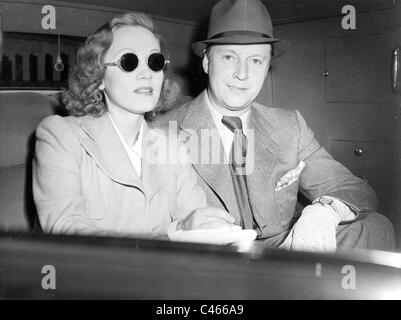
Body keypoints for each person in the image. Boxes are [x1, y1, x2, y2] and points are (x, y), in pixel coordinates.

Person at [158, 0, 395, 252]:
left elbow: (354, 188)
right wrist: (182, 228)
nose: (243, 74)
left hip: (283, 251)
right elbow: (137, 226)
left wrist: (323, 213)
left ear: (267, 67)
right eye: (229, 57)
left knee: (375, 226)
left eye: (256, 61)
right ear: (206, 62)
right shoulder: (164, 131)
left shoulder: (289, 125)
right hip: (212, 260)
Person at [33, 12, 225, 237]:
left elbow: (193, 219)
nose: (146, 74)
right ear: (99, 76)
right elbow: (66, 228)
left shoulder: (173, 146)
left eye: (155, 62)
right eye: (129, 62)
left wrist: (198, 227)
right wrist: (171, 235)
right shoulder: (60, 135)